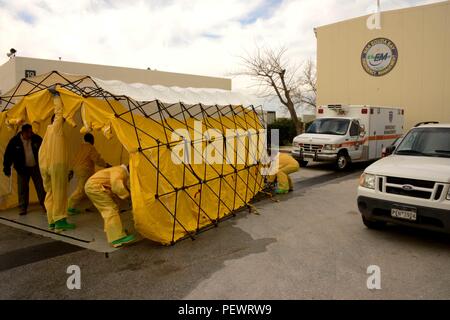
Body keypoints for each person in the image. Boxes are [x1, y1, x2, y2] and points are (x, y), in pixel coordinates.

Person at [39, 89, 75, 231]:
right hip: (57, 166)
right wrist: (56, 97)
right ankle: (60, 221)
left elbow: (41, 154)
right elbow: (58, 113)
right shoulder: (56, 129)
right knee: (60, 193)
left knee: (50, 193)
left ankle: (52, 220)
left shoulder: (47, 134)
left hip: (46, 166)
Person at [84, 164, 135, 248]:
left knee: (111, 208)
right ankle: (116, 238)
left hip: (94, 187)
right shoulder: (120, 171)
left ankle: (114, 231)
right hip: (95, 188)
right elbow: (116, 186)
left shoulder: (119, 170)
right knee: (110, 210)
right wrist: (127, 196)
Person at [3, 124, 46, 215]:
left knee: (41, 187)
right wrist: (6, 168)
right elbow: (8, 155)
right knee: (22, 189)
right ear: (23, 132)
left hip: (35, 167)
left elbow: (44, 149)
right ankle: (22, 208)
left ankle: (45, 205)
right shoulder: (14, 141)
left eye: (31, 132)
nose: (30, 134)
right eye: (28, 133)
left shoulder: (36, 139)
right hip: (22, 169)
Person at [67, 133, 110, 215]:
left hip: (78, 169)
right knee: (81, 189)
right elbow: (97, 159)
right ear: (92, 140)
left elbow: (75, 159)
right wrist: (106, 165)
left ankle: (94, 204)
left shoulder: (80, 147)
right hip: (85, 170)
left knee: (89, 187)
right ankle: (69, 206)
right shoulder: (90, 148)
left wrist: (72, 170)